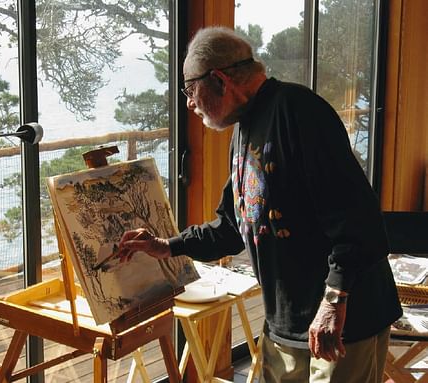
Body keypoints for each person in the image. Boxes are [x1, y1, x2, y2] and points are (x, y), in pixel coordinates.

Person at [119, 26, 402, 383]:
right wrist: (166, 246)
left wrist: (334, 301)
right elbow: (231, 227)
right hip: (286, 323)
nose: (189, 103)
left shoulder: (298, 111)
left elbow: (360, 222)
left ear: (220, 79)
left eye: (190, 90)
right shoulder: (243, 129)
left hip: (345, 321)